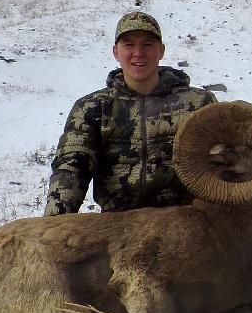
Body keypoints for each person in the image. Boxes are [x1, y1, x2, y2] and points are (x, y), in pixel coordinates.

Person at [44, 11, 217, 214]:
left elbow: (225, 161)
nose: (138, 53)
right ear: (116, 52)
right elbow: (71, 168)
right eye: (129, 45)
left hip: (185, 222)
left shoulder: (198, 104)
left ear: (161, 51)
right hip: (117, 227)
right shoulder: (92, 108)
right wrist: (55, 223)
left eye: (147, 44)